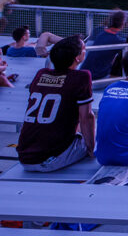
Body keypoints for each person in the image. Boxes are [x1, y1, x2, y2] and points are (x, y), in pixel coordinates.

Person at [17, 36, 95, 171]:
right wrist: (91, 149)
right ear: (77, 57)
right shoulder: (81, 77)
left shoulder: (41, 73)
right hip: (49, 159)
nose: (85, 50)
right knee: (96, 132)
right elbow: (86, 117)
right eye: (83, 49)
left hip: (24, 157)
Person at [82, 9, 127, 80]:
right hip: (97, 77)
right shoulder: (117, 40)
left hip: (84, 73)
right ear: (123, 24)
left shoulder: (100, 33)